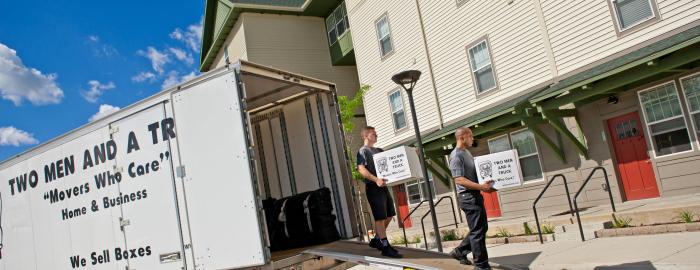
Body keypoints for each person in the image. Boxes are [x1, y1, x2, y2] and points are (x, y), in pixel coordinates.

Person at [448, 127, 496, 269]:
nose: (472, 139)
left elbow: (472, 176)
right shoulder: (456, 156)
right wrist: (481, 187)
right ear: (462, 138)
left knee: (481, 228)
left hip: (474, 195)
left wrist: (485, 185)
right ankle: (481, 265)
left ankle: (460, 251)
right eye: (470, 136)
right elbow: (459, 180)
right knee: (477, 232)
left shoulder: (466, 152)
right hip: (468, 197)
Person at [356, 126, 402, 258]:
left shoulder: (380, 150)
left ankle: (377, 239)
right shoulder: (363, 151)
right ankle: (385, 247)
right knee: (380, 218)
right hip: (373, 187)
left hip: (383, 187)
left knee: (389, 215)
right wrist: (376, 179)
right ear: (366, 136)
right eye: (373, 134)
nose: (376, 135)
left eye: (376, 133)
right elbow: (361, 169)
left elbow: (392, 163)